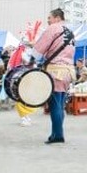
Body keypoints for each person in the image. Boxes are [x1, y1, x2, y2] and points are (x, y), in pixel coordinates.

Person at [31, 8, 75, 144]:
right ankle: (56, 132)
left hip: (56, 70)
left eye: (49, 18)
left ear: (57, 17)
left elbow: (38, 51)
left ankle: (58, 135)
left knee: (55, 104)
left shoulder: (53, 28)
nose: (48, 21)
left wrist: (31, 55)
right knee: (60, 104)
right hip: (68, 71)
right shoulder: (70, 32)